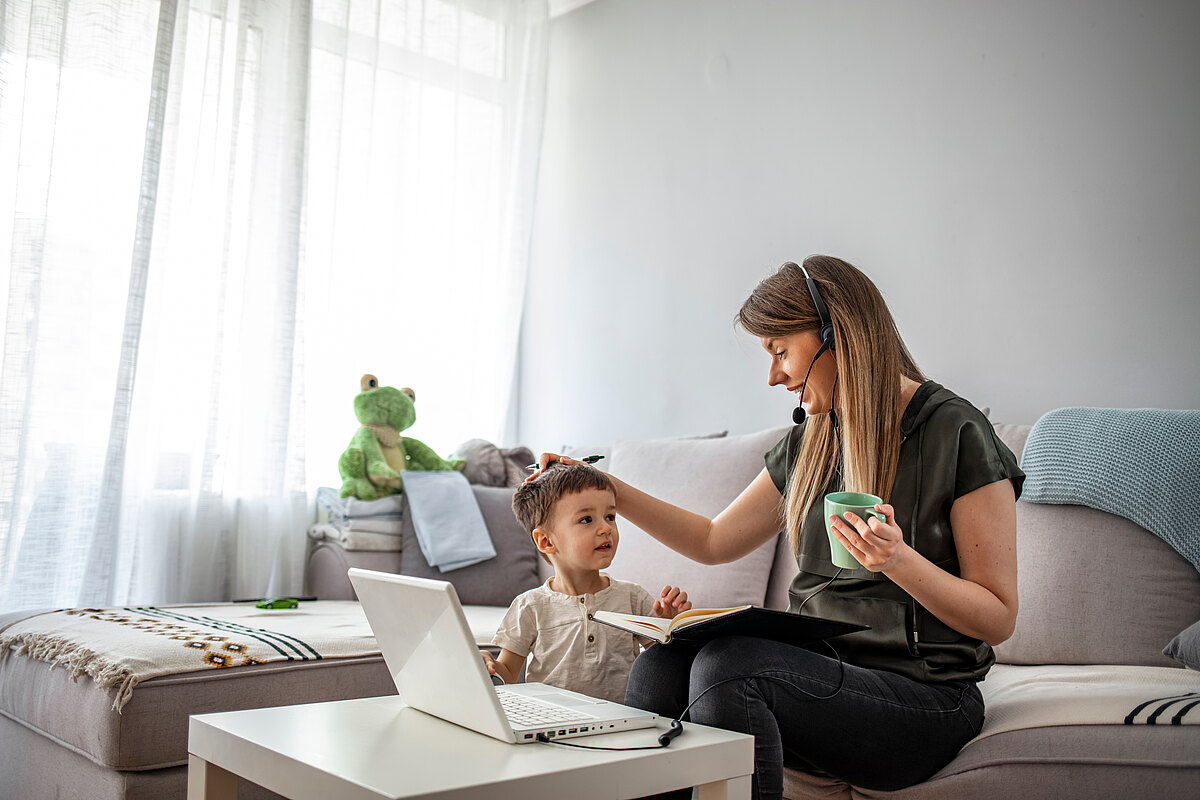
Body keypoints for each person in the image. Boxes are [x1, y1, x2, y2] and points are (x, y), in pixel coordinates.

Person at [527, 256, 1024, 799]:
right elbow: (713, 542)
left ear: (838, 334)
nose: (774, 376)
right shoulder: (814, 439)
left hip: (926, 700)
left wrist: (897, 561)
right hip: (824, 674)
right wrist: (609, 487)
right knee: (661, 666)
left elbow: (997, 617)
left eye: (781, 352)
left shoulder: (957, 431)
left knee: (730, 667)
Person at [480, 462, 692, 703]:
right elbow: (507, 675)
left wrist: (667, 630)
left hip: (623, 723)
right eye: (586, 520)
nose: (606, 528)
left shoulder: (633, 598)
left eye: (610, 516)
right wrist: (488, 665)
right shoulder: (530, 606)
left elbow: (659, 672)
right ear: (546, 541)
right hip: (553, 725)